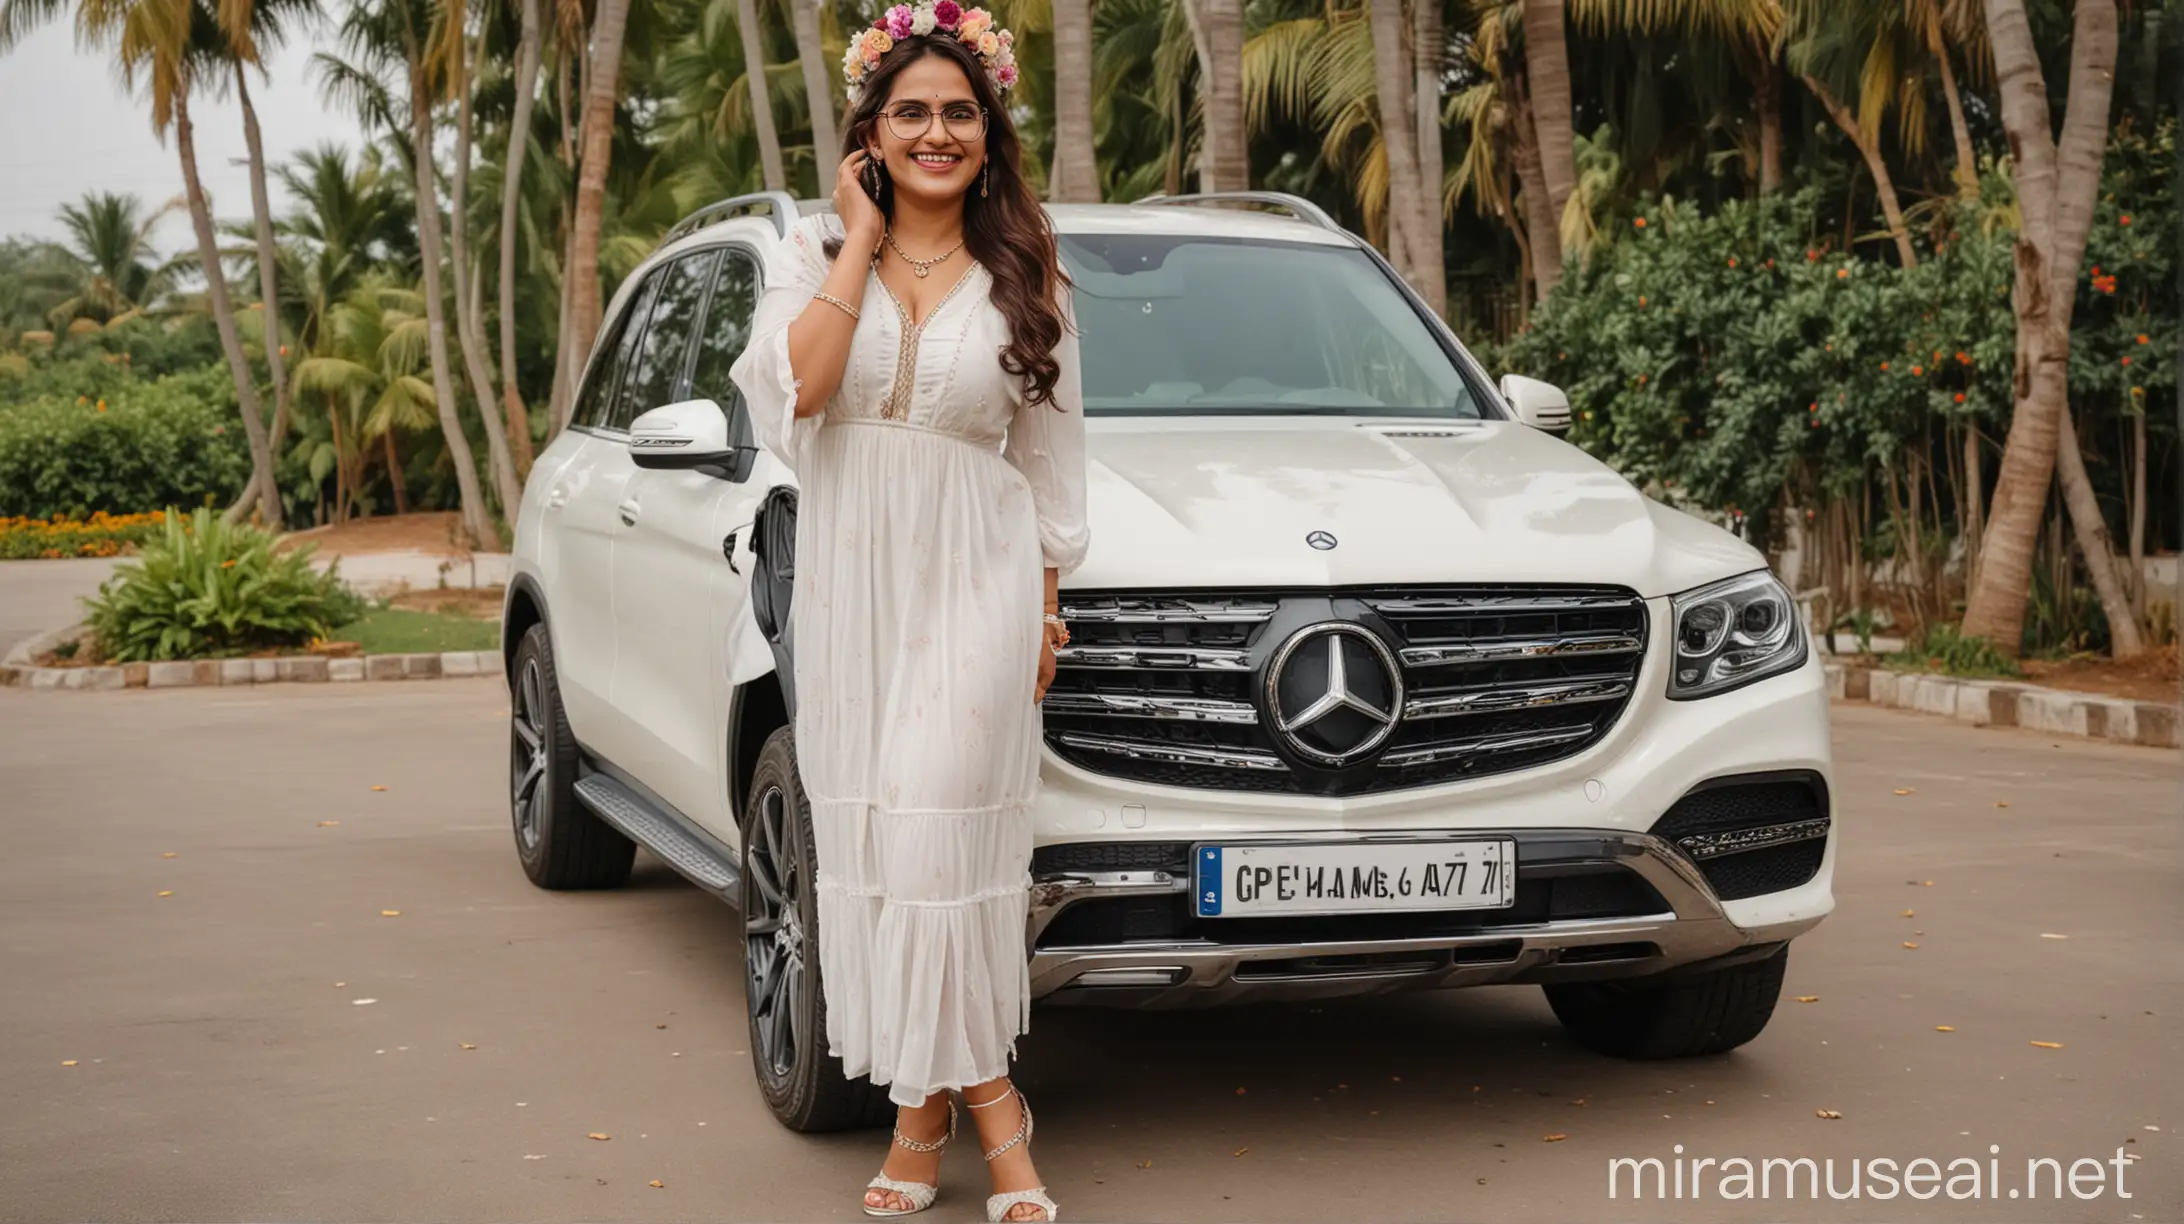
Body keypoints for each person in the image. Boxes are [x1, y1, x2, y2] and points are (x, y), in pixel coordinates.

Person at [728, 4, 1086, 1220]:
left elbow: (1052, 464)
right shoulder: (810, 258)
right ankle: (943, 1114)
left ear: (989, 131)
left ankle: (979, 1124)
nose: (938, 132)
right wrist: (861, 237)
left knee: (941, 844)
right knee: (881, 855)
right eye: (912, 113)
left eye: (959, 112)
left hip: (977, 589)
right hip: (853, 596)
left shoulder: (1030, 273)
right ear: (871, 132)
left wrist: (1045, 604)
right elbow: (803, 395)